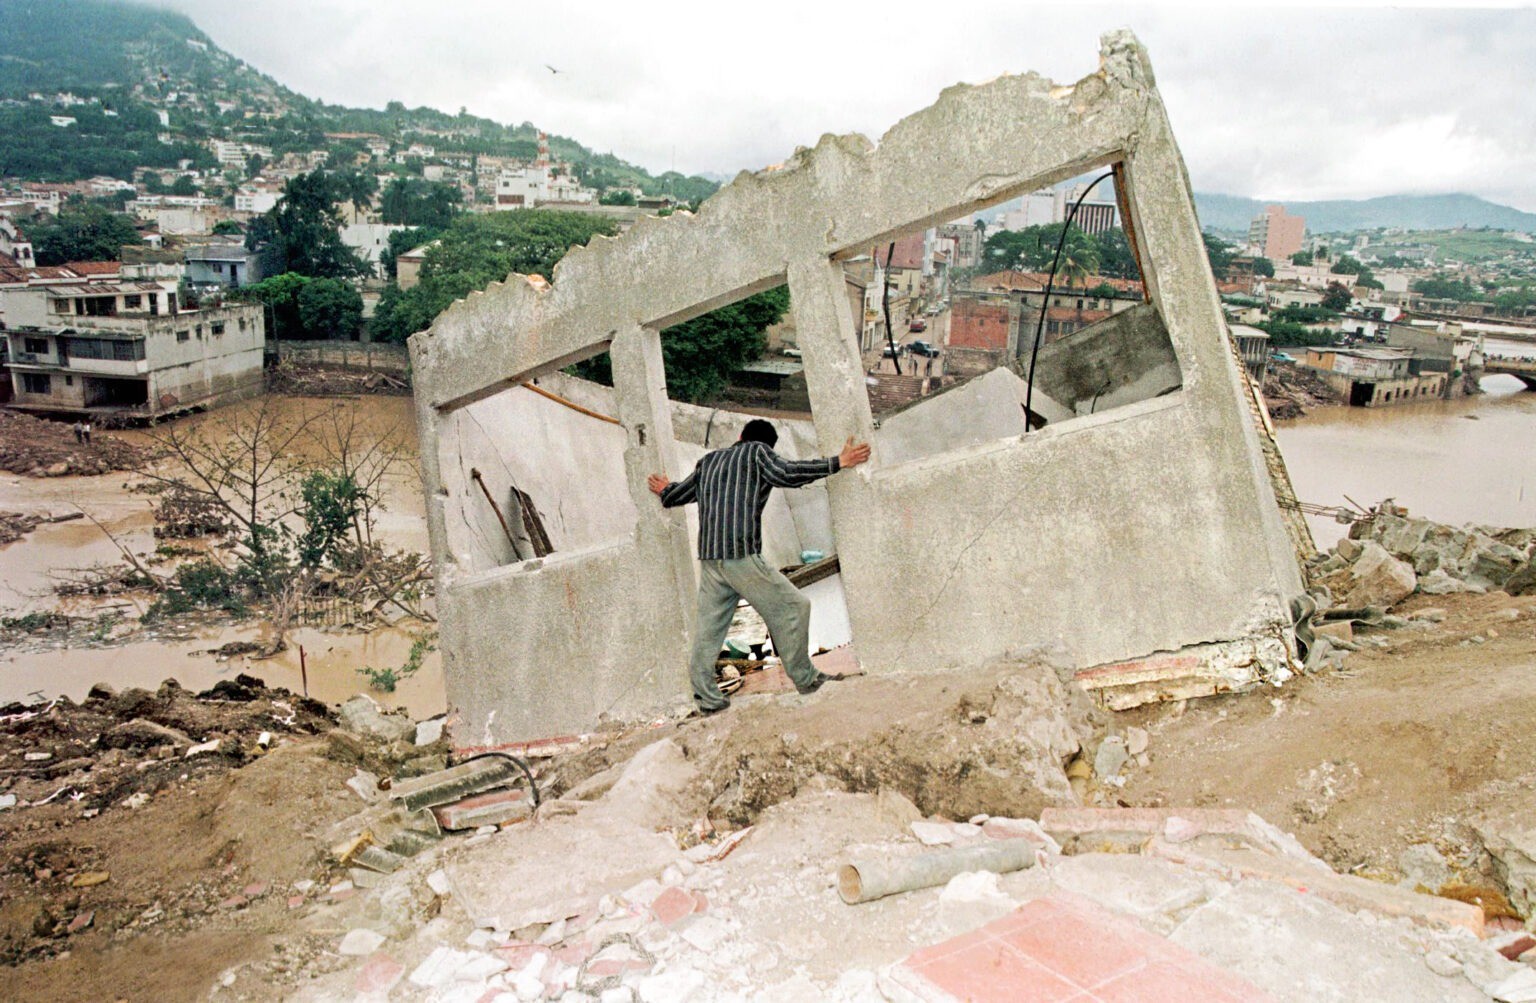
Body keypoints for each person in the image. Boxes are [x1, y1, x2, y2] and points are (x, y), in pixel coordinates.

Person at [648, 419, 871, 715]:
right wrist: (838, 462)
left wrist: (665, 489)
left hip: (711, 562)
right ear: (767, 446)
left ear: (740, 435)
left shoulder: (708, 462)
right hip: (740, 557)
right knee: (795, 607)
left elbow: (676, 496)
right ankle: (806, 679)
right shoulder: (758, 452)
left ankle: (708, 700)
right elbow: (787, 473)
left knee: (708, 633)